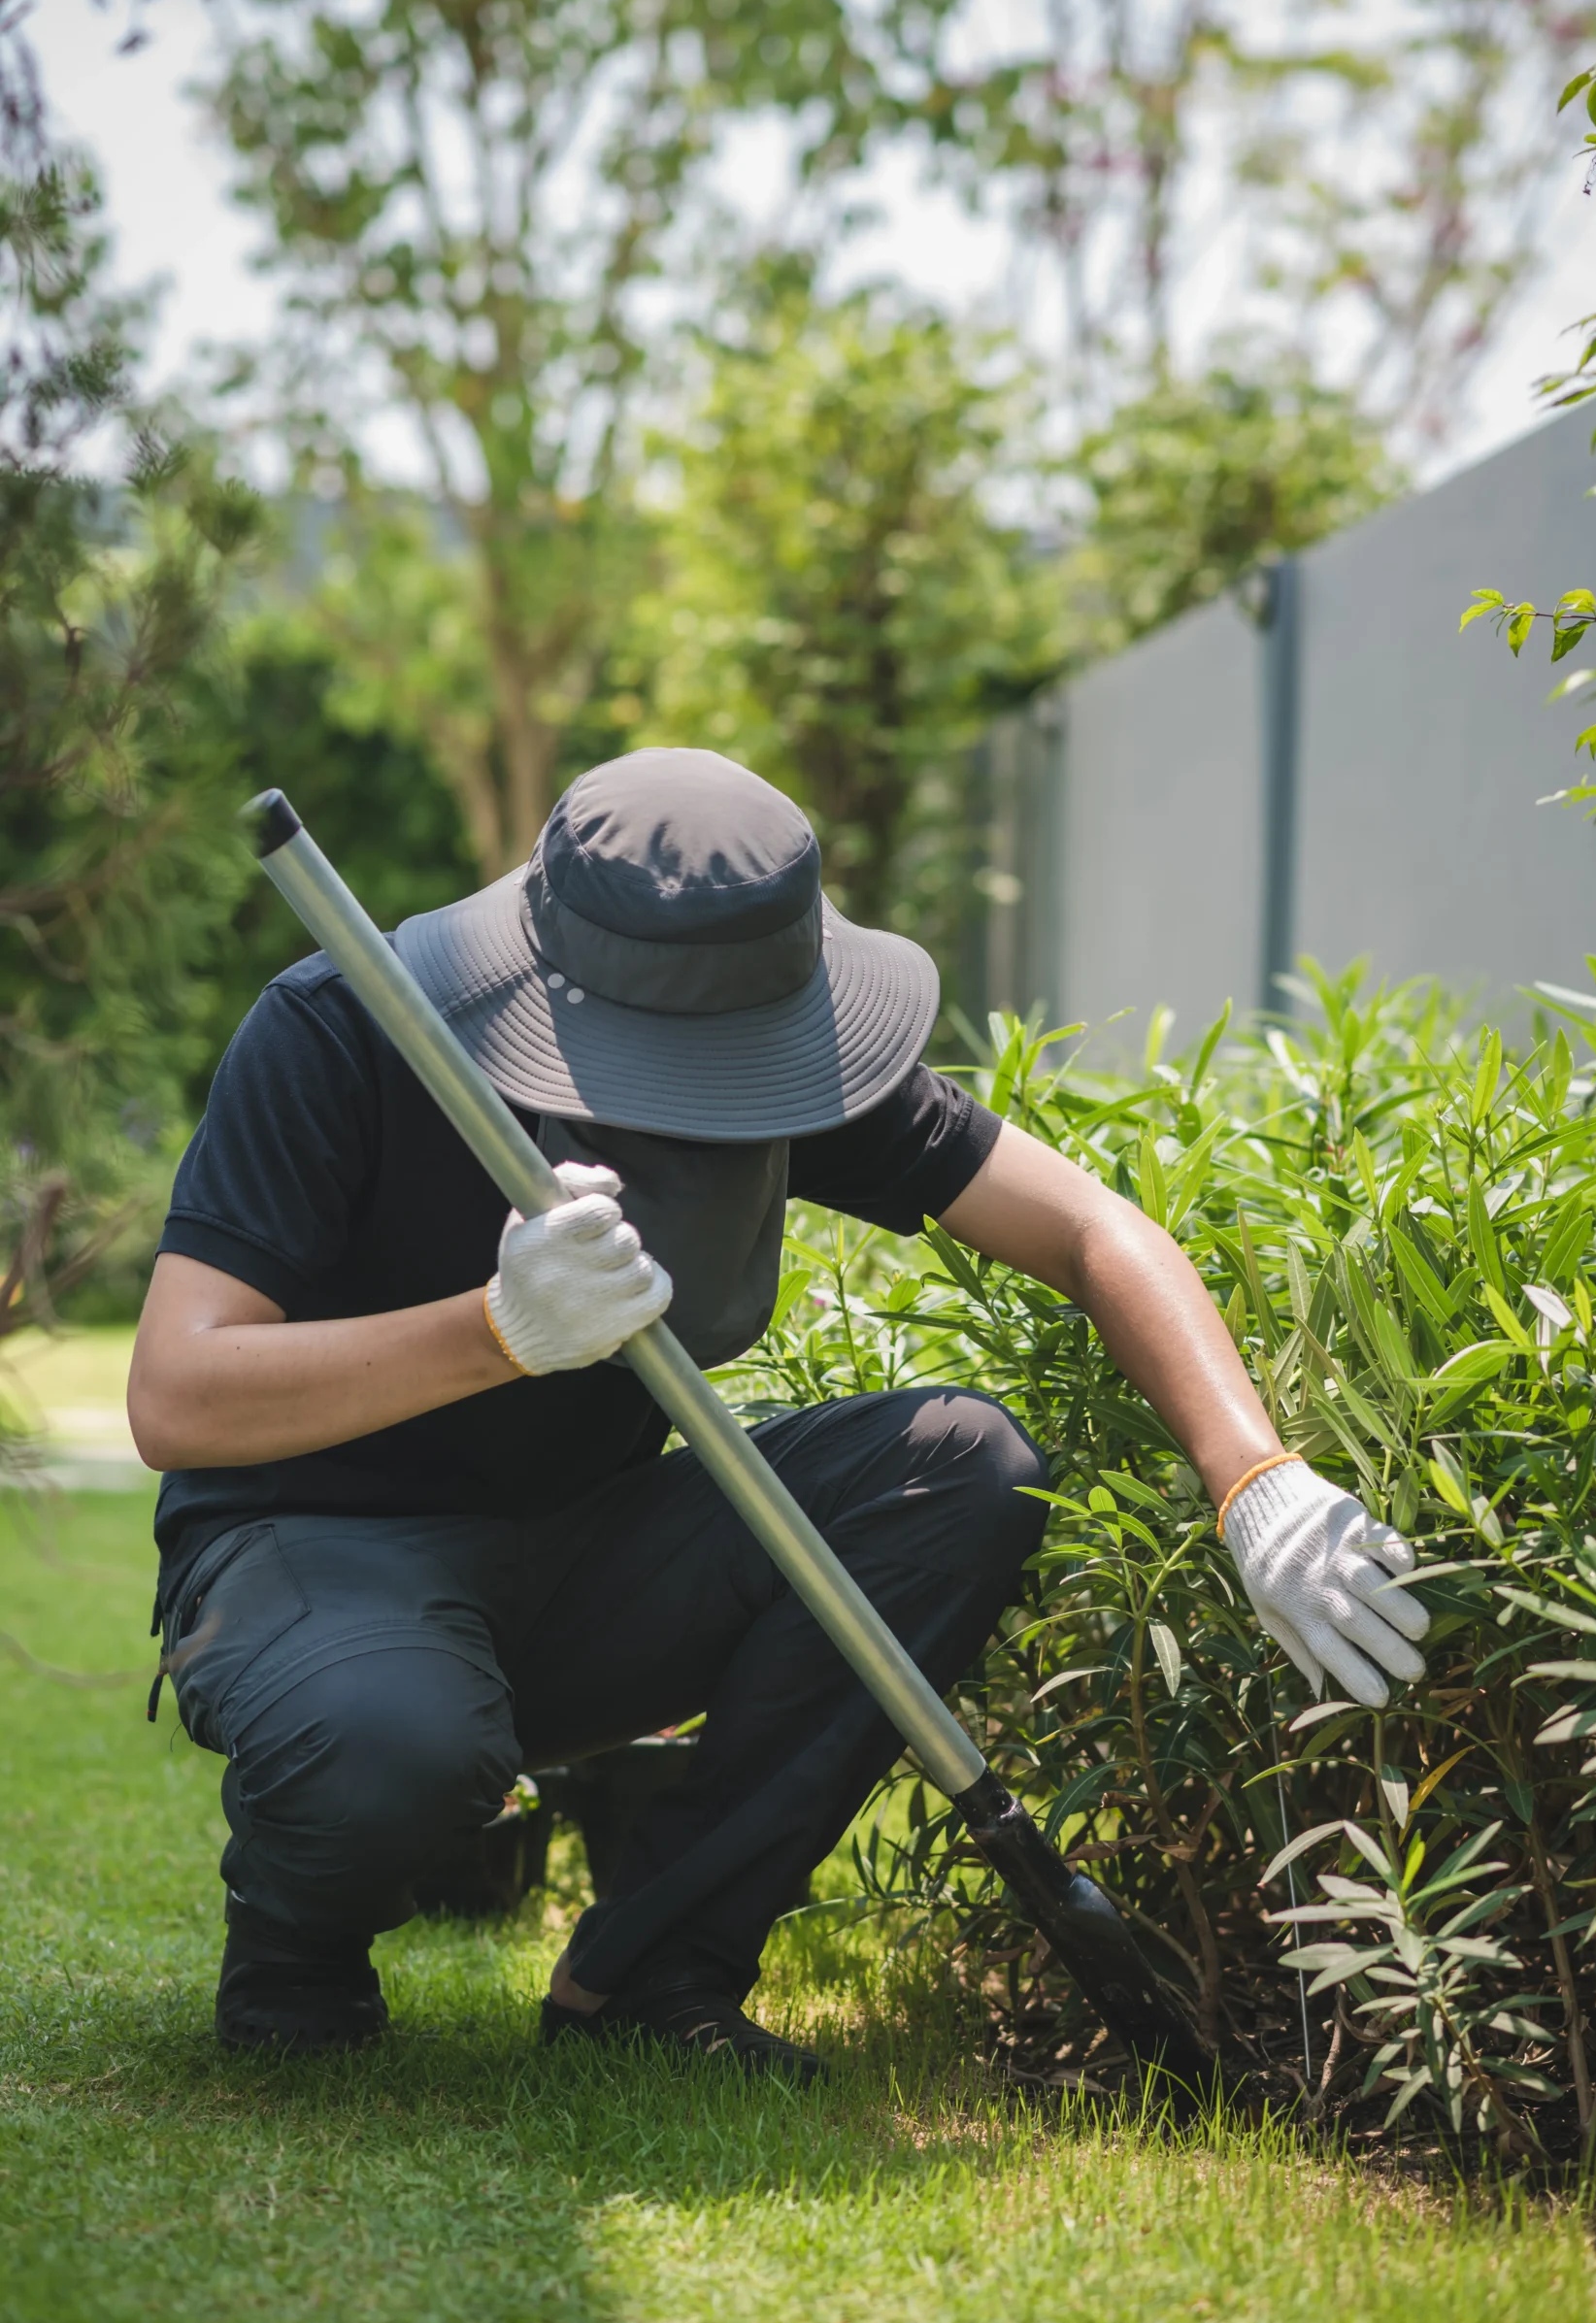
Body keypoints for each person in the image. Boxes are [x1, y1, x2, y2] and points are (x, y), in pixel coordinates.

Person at [127, 747, 1429, 2075]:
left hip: (587, 1552)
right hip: (314, 1554)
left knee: (962, 1467)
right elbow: (177, 1394)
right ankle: (300, 1950)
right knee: (385, 1749)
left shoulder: (771, 1064)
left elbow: (1096, 1233)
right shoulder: (344, 1031)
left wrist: (1254, 1477)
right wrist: (494, 1333)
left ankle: (647, 1977)